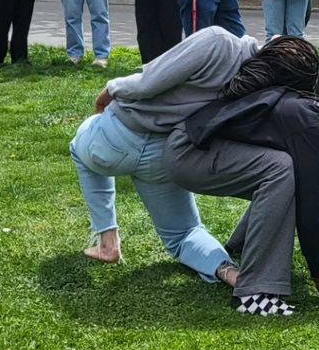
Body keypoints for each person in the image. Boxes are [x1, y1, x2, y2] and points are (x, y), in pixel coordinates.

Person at [166, 42, 319, 316]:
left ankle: (243, 246)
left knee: (286, 171)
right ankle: (255, 292)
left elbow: (306, 204)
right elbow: (311, 216)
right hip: (188, 154)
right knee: (281, 169)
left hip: (191, 146)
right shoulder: (317, 133)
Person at [71, 27, 262, 276]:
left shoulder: (217, 41)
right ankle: (231, 273)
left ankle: (107, 241)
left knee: (78, 145)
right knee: (186, 234)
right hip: (163, 154)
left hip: (114, 137)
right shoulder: (257, 88)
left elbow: (146, 84)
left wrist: (110, 89)